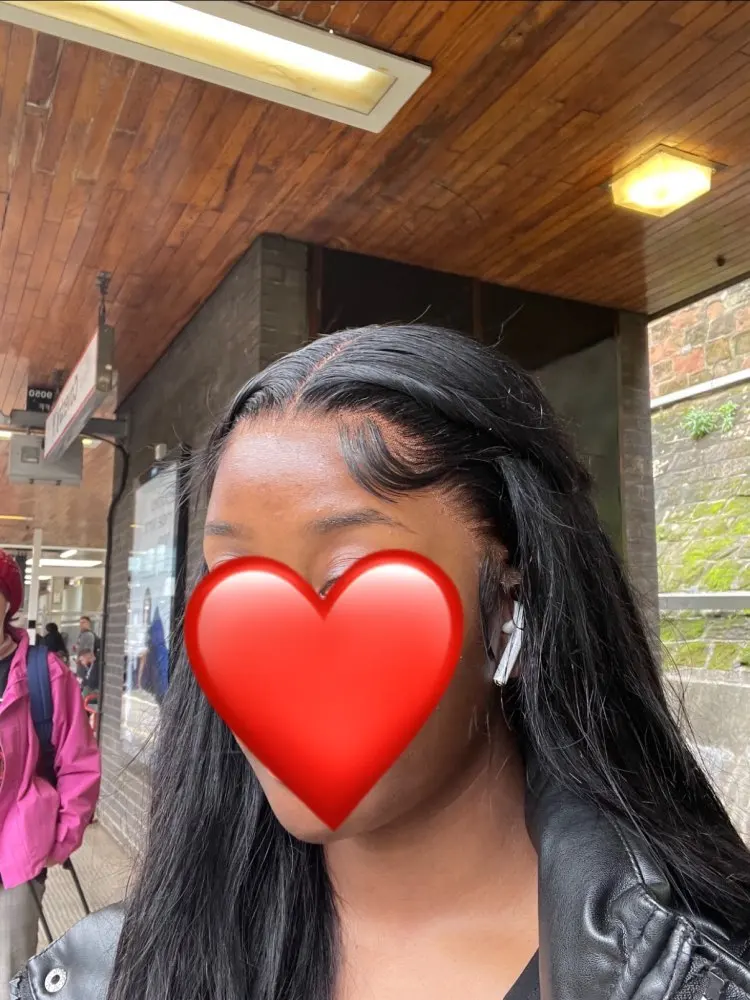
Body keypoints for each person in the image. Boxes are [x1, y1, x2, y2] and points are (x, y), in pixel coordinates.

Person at [12, 326, 750, 1000]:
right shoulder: (104, 974)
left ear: (511, 602)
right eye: (233, 580)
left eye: (344, 577)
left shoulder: (691, 974)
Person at [0, 549, 101, 991]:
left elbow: (78, 762)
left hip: (15, 856)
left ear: (7, 601)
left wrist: (61, 840)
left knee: (9, 976)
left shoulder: (45, 673)